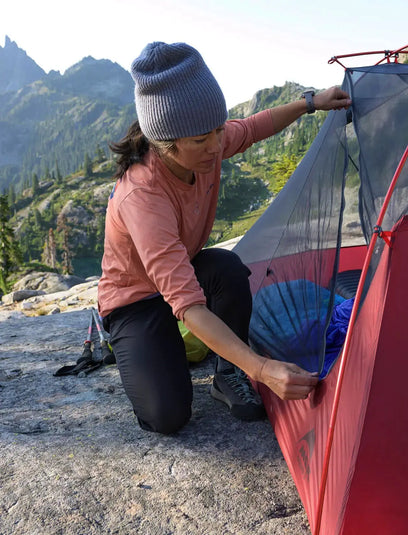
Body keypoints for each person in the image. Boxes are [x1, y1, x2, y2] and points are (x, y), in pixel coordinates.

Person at [97, 41, 351, 435]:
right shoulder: (142, 194)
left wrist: (310, 103)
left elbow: (251, 129)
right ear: (166, 142)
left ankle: (225, 373)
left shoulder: (204, 142)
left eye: (218, 130)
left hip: (183, 274)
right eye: (201, 140)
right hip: (136, 301)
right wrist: (263, 369)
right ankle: (132, 342)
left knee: (228, 269)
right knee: (167, 417)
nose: (216, 147)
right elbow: (187, 303)